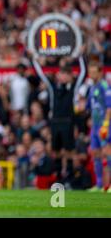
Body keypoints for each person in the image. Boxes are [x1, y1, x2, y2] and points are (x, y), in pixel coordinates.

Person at [32, 56, 86, 184]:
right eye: (60, 74)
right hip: (55, 122)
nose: (60, 77)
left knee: (69, 151)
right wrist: (34, 58)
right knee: (55, 151)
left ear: (69, 76)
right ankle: (57, 177)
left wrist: (81, 56)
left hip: (68, 121)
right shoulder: (52, 87)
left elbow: (84, 73)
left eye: (63, 74)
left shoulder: (73, 87)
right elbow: (39, 73)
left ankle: (69, 175)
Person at [85, 60, 111, 192]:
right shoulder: (92, 88)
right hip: (95, 126)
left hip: (104, 125)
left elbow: (109, 108)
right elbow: (89, 107)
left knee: (108, 153)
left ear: (100, 72)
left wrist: (105, 125)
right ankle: (99, 184)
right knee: (95, 153)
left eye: (93, 72)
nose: (91, 75)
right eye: (90, 72)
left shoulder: (105, 86)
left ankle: (110, 185)